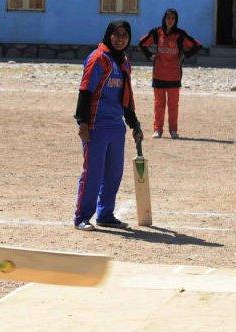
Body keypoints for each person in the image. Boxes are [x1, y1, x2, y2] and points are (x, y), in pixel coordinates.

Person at [73, 20, 144, 231]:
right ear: (108, 35)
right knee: (92, 173)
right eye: (116, 34)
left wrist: (134, 124)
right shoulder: (98, 59)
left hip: (116, 126)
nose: (120, 38)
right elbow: (85, 91)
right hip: (96, 125)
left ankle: (105, 214)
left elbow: (126, 98)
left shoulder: (123, 63)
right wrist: (82, 122)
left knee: (114, 173)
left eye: (125, 35)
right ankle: (82, 217)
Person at [138, 8, 202, 139]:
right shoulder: (157, 32)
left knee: (173, 105)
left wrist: (185, 56)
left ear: (176, 20)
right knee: (158, 104)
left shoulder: (180, 34)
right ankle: (158, 130)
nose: (170, 21)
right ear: (164, 19)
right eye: (168, 18)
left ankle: (173, 130)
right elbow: (142, 43)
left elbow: (196, 45)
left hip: (174, 75)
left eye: (173, 18)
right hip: (159, 74)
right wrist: (150, 55)